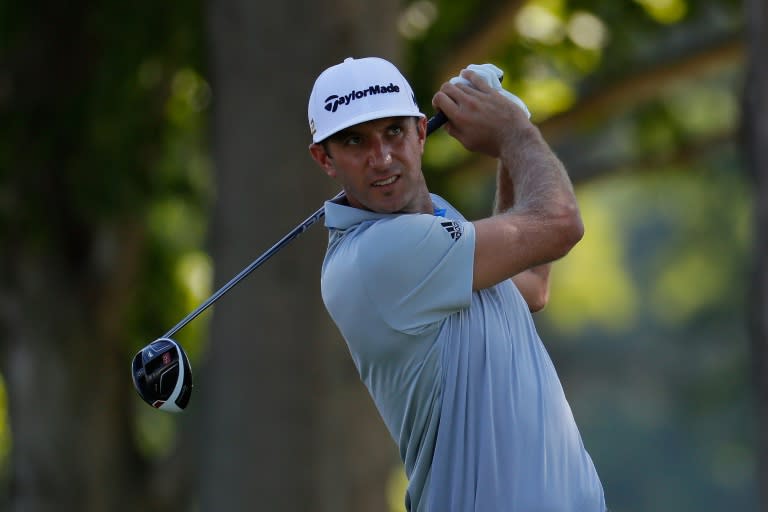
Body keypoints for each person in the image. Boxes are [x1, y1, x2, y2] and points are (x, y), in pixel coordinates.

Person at [307, 56, 606, 512]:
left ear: (421, 132)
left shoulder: (438, 226)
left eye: (394, 131)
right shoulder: (379, 255)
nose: (382, 156)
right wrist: (514, 132)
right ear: (325, 158)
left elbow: (529, 285)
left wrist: (510, 132)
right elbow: (560, 223)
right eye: (354, 141)